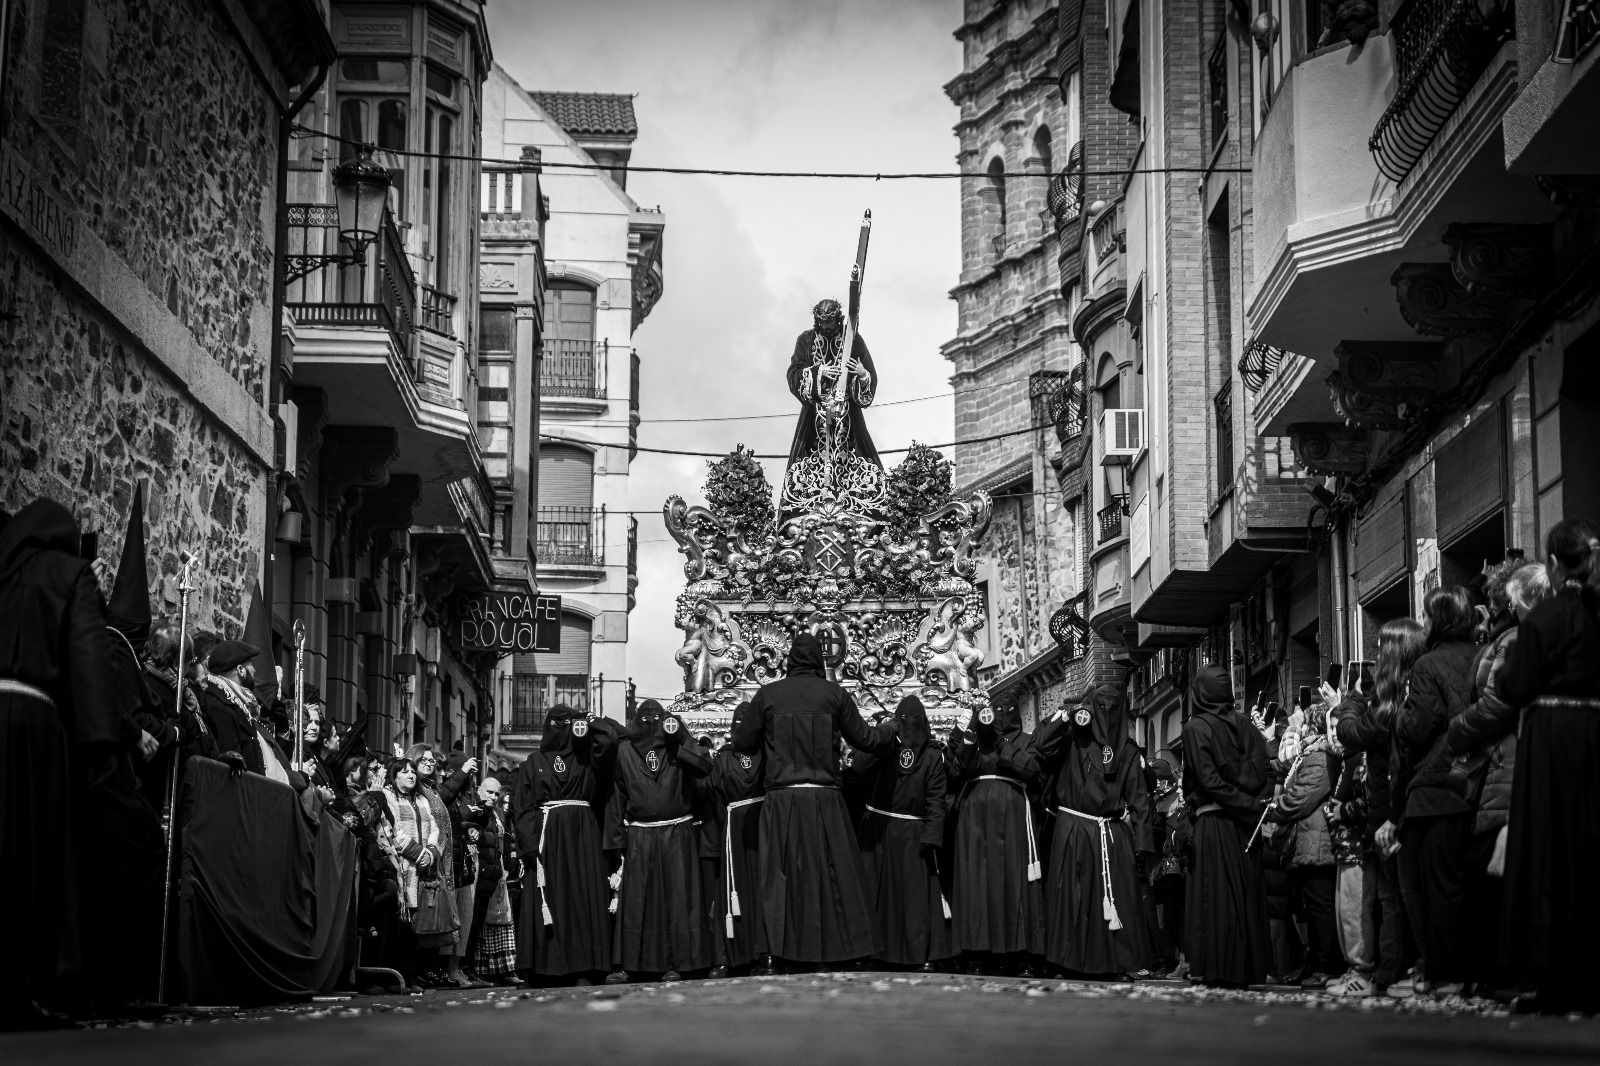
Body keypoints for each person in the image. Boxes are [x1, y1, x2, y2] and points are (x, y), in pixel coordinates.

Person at [0, 500, 136, 1028]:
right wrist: (101, 745)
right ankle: (28, 983)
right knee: (38, 852)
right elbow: (88, 660)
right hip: (35, 727)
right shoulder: (70, 574)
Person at [730, 632, 898, 974]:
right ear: (818, 660)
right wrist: (891, 727)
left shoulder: (767, 695)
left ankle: (774, 953)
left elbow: (743, 743)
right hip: (824, 798)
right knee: (836, 873)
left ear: (790, 660)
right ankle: (849, 949)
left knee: (779, 876)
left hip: (781, 800)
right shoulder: (834, 694)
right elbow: (866, 739)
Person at [1496, 518, 1600, 1014]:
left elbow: (1515, 686)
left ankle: (1554, 977)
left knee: (1550, 848)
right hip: (1595, 737)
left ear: (1555, 564)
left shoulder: (1543, 619)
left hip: (1552, 741)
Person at [1444, 561, 1551, 996]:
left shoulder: (1515, 641)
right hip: (1501, 763)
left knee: (1495, 870)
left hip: (1505, 764)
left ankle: (1506, 972)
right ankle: (1500, 972)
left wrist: (1458, 729)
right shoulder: (1508, 639)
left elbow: (1499, 701)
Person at [1387, 586, 1479, 998]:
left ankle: (1441, 972)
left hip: (1433, 787)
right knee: (1463, 886)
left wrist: (1397, 717)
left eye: (1426, 617)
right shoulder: (1482, 654)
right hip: (1474, 782)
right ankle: (1469, 971)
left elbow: (1417, 727)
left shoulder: (1427, 665)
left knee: (1428, 888)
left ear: (1438, 620)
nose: (1423, 625)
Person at [1028, 685, 1152, 978]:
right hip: (1072, 827)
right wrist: (1064, 718)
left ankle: (1114, 963)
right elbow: (1038, 747)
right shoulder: (1072, 739)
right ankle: (1066, 961)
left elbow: (1139, 800)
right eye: (1101, 708)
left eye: (1113, 709)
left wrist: (1143, 845)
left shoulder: (1127, 751)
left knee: (1112, 899)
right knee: (1070, 897)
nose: (1106, 715)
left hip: (1109, 832)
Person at [605, 701, 714, 982]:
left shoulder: (677, 746)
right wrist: (616, 841)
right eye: (646, 718)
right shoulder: (625, 751)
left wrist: (681, 737)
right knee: (638, 903)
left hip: (677, 833)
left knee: (678, 901)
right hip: (640, 836)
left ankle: (680, 963)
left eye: (657, 718)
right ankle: (633, 965)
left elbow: (705, 765)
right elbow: (617, 796)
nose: (651, 723)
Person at [511, 704, 619, 985]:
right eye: (556, 723)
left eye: (566, 723)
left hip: (583, 837)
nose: (561, 729)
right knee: (551, 898)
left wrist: (589, 721)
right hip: (547, 840)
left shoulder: (587, 758)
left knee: (583, 897)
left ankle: (585, 967)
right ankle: (546, 968)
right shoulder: (532, 762)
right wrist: (529, 847)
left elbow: (610, 740)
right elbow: (521, 807)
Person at [1180, 664, 1272, 988]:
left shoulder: (1195, 728)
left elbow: (1207, 780)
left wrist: (1237, 803)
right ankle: (1246, 967)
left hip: (1215, 822)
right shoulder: (1245, 724)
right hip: (1244, 824)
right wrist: (1249, 805)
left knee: (1216, 896)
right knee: (1244, 895)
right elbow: (1262, 771)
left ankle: (1218, 966)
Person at [848, 695, 952, 972]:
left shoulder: (932, 755)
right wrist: (884, 737)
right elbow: (858, 767)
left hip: (913, 834)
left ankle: (918, 952)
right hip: (878, 830)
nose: (908, 727)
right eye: (902, 721)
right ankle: (871, 951)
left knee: (914, 899)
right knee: (875, 894)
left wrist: (931, 836)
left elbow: (936, 799)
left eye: (913, 721)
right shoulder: (885, 747)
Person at [945, 699, 1044, 975]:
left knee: (1014, 880)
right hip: (975, 819)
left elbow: (1031, 770)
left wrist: (1001, 742)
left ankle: (1018, 951)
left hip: (1013, 817)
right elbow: (957, 769)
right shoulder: (976, 740)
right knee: (977, 882)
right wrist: (971, 735)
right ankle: (977, 951)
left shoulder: (1025, 741)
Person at [1263, 709, 1342, 990]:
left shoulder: (1320, 756)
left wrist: (1277, 807)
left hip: (1317, 842)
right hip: (1307, 841)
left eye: (1304, 724)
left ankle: (1326, 966)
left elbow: (1302, 796)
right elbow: (1282, 766)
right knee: (1308, 908)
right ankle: (1314, 964)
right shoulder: (1308, 755)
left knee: (1320, 907)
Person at [784, 298, 881, 473]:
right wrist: (818, 372)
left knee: (860, 469)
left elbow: (870, 375)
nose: (825, 326)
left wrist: (862, 374)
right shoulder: (806, 339)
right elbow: (793, 374)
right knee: (806, 471)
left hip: (847, 414)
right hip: (815, 415)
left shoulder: (852, 339)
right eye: (822, 322)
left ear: (837, 319)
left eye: (829, 322)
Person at [708, 701, 765, 973]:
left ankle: (763, 951)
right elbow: (715, 795)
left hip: (760, 824)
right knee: (735, 887)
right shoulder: (724, 757)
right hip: (734, 828)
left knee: (761, 886)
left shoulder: (765, 752)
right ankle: (733, 955)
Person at [384, 755, 439, 994]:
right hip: (402, 867)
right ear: (394, 776)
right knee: (400, 926)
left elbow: (434, 828)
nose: (411, 775)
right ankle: (396, 976)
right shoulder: (389, 796)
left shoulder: (421, 799)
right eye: (405, 772)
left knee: (416, 927)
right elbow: (393, 831)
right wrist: (419, 853)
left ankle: (410, 975)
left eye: (413, 772)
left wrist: (431, 852)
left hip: (422, 870)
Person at [462, 775, 519, 985]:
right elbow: (467, 828)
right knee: (472, 924)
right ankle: (468, 970)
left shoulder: (497, 814)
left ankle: (478, 971)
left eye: (496, 793)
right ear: (479, 790)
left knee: (479, 925)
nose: (493, 797)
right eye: (489, 792)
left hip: (492, 877)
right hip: (476, 876)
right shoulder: (476, 810)